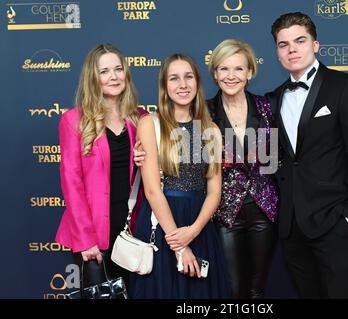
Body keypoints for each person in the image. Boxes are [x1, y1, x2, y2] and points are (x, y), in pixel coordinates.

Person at [266, 12, 348, 298]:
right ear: (277, 52)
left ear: (316, 45)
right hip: (291, 227)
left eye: (300, 40)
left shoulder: (347, 87)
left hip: (335, 224)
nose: (292, 49)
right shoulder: (272, 99)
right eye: (283, 44)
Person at [129, 53, 230, 298]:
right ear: (164, 86)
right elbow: (152, 190)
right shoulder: (150, 124)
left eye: (188, 77)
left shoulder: (211, 130)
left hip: (200, 225)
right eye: (174, 78)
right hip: (163, 224)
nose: (182, 85)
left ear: (197, 82)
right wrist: (180, 244)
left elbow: (214, 191)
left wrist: (193, 231)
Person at [55, 44, 146, 288]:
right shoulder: (74, 120)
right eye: (104, 71)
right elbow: (71, 183)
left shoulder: (142, 118)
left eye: (118, 69)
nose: (113, 76)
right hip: (93, 233)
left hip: (134, 232)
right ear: (92, 78)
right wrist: (85, 239)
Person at [207, 39, 279, 298]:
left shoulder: (267, 107)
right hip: (225, 213)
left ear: (250, 72)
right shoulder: (205, 112)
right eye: (224, 69)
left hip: (264, 209)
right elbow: (194, 162)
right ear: (215, 74)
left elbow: (274, 160)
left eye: (238, 69)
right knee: (233, 290)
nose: (231, 76)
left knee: (257, 290)